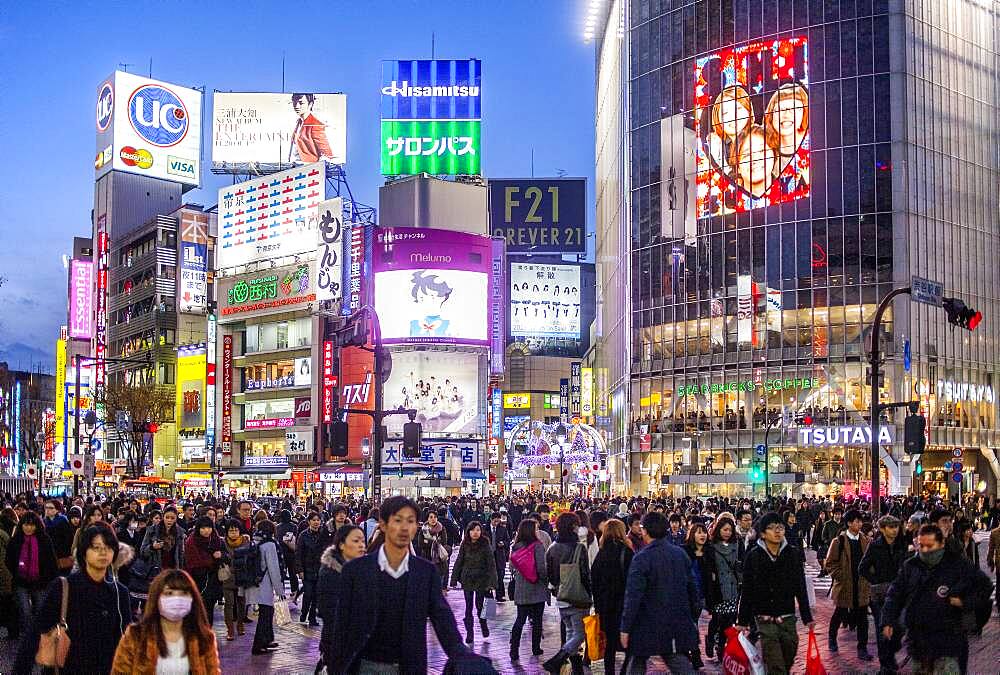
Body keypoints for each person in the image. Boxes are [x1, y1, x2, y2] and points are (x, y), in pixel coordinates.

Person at [328, 496, 472, 673]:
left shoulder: (425, 572)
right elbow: (341, 625)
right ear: (383, 524)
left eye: (410, 521)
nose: (404, 527)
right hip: (364, 666)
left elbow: (443, 620)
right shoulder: (356, 570)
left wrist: (462, 654)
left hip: (408, 666)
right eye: (398, 520)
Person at [13, 524, 131, 675]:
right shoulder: (64, 587)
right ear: (83, 552)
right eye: (96, 547)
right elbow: (35, 633)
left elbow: (126, 639)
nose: (103, 552)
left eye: (108, 547)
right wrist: (21, 670)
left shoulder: (120, 592)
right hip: (67, 668)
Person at [881, 524, 994, 674]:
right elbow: (894, 594)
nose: (925, 550)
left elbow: (984, 586)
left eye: (930, 546)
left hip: (947, 642)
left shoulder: (957, 564)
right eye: (921, 546)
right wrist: (887, 620)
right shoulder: (911, 566)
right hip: (917, 641)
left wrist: (964, 602)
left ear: (941, 544)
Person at [619, 511, 699, 675]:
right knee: (675, 658)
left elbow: (633, 596)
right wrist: (692, 616)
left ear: (645, 531)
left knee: (638, 660)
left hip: (647, 622)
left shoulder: (642, 558)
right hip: (676, 620)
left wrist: (625, 627)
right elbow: (693, 589)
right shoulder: (680, 554)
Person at [735, 512, 814, 675]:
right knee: (775, 663)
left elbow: (800, 587)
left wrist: (807, 617)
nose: (777, 531)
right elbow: (747, 590)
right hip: (764, 618)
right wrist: (742, 620)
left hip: (787, 617)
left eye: (780, 527)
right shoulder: (754, 556)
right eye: (771, 528)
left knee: (789, 653)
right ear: (763, 534)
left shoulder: (792, 554)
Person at [111, 568, 220, 674]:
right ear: (156, 598)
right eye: (169, 593)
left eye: (184, 593)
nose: (177, 599)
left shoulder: (204, 638)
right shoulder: (136, 635)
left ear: (193, 598)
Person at [543, 512, 591, 675]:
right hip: (578, 596)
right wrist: (589, 593)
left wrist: (558, 588)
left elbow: (550, 575)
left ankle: (576, 670)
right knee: (580, 634)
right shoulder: (579, 547)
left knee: (571, 633)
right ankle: (557, 660)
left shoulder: (552, 548)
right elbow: (585, 574)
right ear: (572, 527)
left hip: (561, 596)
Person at [859, 514, 908, 673]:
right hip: (880, 595)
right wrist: (876, 581)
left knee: (899, 627)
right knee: (883, 630)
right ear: (882, 529)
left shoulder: (902, 545)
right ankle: (885, 665)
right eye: (890, 527)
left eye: (896, 527)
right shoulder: (875, 546)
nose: (894, 530)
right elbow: (862, 568)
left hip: (899, 593)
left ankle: (890, 656)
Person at [824, 508, 872, 660]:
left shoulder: (866, 541)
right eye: (856, 521)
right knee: (840, 613)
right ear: (849, 523)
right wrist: (841, 576)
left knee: (863, 618)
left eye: (860, 521)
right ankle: (832, 639)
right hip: (845, 585)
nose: (859, 524)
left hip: (861, 585)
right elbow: (830, 563)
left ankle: (862, 648)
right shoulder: (839, 541)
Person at [317, 524, 367, 671]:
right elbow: (329, 612)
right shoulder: (331, 572)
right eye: (356, 541)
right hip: (338, 642)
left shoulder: (357, 569)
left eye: (363, 541)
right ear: (342, 545)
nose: (361, 545)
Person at [591, 518, 634, 675]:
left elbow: (594, 581)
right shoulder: (627, 552)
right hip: (623, 605)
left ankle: (609, 672)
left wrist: (597, 605)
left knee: (609, 645)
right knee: (628, 642)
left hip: (605, 606)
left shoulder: (601, 554)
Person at [5, 510, 57, 635]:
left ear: (37, 526)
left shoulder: (44, 540)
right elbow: (9, 559)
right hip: (21, 581)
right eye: (26, 524)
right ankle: (29, 635)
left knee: (40, 608)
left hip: (40, 581)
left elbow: (51, 561)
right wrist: (17, 572)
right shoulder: (16, 540)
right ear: (21, 525)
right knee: (25, 610)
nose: (28, 528)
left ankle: (39, 634)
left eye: (32, 525)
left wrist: (46, 578)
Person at [450, 520, 498, 644]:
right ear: (468, 532)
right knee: (468, 607)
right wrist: (453, 579)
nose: (475, 532)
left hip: (482, 579)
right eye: (473, 530)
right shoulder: (464, 544)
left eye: (478, 530)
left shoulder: (485, 543)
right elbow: (459, 561)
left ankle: (483, 623)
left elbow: (491, 563)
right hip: (467, 579)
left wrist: (492, 581)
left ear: (481, 531)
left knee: (480, 606)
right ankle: (469, 633)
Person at [508, 519, 548, 662]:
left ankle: (514, 649)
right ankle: (536, 648)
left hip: (521, 588)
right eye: (536, 529)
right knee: (537, 620)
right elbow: (541, 568)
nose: (538, 532)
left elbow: (512, 566)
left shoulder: (516, 546)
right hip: (536, 588)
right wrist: (547, 581)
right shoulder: (538, 546)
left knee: (520, 619)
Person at [246, 519, 285, 655]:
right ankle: (258, 645)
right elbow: (273, 568)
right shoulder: (270, 544)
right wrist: (280, 590)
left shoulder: (254, 541)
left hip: (254, 583)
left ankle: (268, 640)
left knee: (267, 612)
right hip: (265, 585)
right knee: (265, 615)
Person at [683, 522, 717, 669]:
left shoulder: (710, 552)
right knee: (692, 625)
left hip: (705, 594)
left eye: (704, 532)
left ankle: (693, 652)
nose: (702, 535)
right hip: (689, 595)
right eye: (698, 532)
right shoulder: (684, 551)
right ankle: (694, 655)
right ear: (692, 534)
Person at [707, 515, 741, 660]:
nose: (727, 532)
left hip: (733, 588)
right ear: (718, 530)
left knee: (729, 621)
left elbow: (740, 565)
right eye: (724, 529)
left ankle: (721, 647)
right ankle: (710, 639)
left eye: (729, 530)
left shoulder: (737, 545)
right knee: (717, 619)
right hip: (718, 589)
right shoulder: (711, 547)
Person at [183, 516, 224, 624]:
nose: (207, 531)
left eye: (209, 527)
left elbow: (225, 556)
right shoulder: (191, 541)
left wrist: (221, 556)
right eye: (203, 528)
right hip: (196, 579)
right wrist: (211, 559)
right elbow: (191, 562)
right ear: (198, 528)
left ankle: (207, 633)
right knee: (197, 609)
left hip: (213, 579)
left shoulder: (215, 538)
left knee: (209, 608)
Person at [296, 511, 328, 626]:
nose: (316, 522)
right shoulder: (303, 535)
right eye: (313, 520)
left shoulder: (323, 535)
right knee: (308, 593)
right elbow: (298, 553)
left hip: (320, 569)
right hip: (307, 569)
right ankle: (304, 613)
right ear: (309, 521)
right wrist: (299, 570)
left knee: (316, 595)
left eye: (318, 520)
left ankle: (312, 617)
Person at [220, 519, 248, 640]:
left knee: (242, 603)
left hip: (241, 577)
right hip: (227, 578)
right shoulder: (222, 543)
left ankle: (240, 624)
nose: (234, 533)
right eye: (231, 531)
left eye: (236, 530)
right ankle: (230, 629)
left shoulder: (245, 542)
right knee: (229, 604)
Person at [289, 92, 334, 163]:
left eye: (301, 103)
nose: (296, 106)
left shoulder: (316, 125)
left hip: (310, 169)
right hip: (297, 168)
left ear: (310, 104)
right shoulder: (299, 122)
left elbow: (327, 155)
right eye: (294, 102)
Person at [414, 509, 451, 589]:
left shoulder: (441, 528)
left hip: (439, 561)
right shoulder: (423, 530)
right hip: (427, 559)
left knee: (438, 584)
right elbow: (421, 544)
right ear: (427, 519)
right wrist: (435, 542)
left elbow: (444, 542)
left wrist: (428, 541)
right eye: (431, 517)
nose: (433, 519)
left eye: (435, 517)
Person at [42, 500, 74, 575]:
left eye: (51, 508)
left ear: (57, 510)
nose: (47, 510)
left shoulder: (63, 521)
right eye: (46, 508)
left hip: (62, 556)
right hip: (48, 556)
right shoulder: (43, 522)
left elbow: (68, 540)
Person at [488, 511, 511, 602]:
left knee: (500, 575)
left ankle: (499, 595)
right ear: (491, 520)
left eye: (498, 521)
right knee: (489, 576)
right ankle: (489, 597)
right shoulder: (484, 528)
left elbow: (508, 541)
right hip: (489, 556)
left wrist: (503, 543)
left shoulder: (502, 529)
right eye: (495, 521)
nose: (496, 523)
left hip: (499, 555)